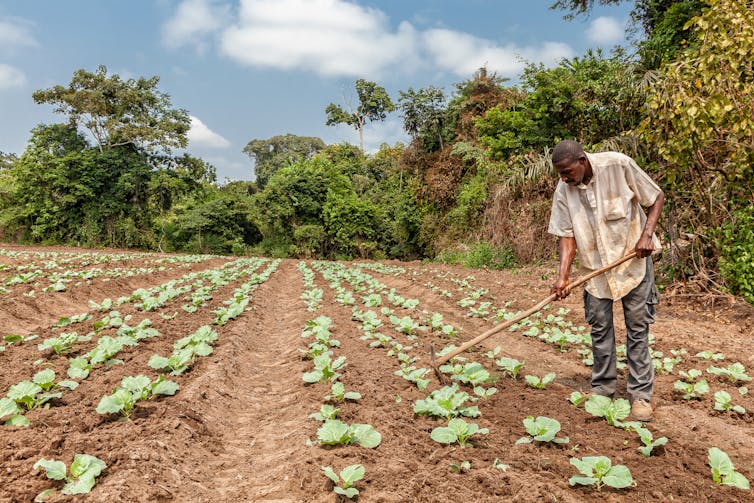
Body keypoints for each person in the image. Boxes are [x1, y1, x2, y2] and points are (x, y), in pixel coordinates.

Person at [547, 140, 664, 422]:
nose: (564, 178)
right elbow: (566, 235)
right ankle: (603, 388)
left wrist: (646, 235)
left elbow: (655, 196)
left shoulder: (618, 165)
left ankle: (640, 396)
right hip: (595, 271)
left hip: (632, 264)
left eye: (567, 171)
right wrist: (562, 277)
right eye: (560, 174)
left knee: (637, 331)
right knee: (600, 331)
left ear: (582, 160)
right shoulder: (564, 189)